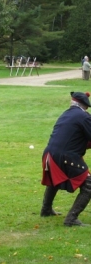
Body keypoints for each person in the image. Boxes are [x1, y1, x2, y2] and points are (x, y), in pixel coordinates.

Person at [40, 91, 91, 226]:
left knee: (53, 180)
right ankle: (71, 219)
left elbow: (74, 138)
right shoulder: (83, 116)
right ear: (84, 105)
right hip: (65, 156)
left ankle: (46, 209)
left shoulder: (66, 114)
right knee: (89, 185)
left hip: (49, 154)